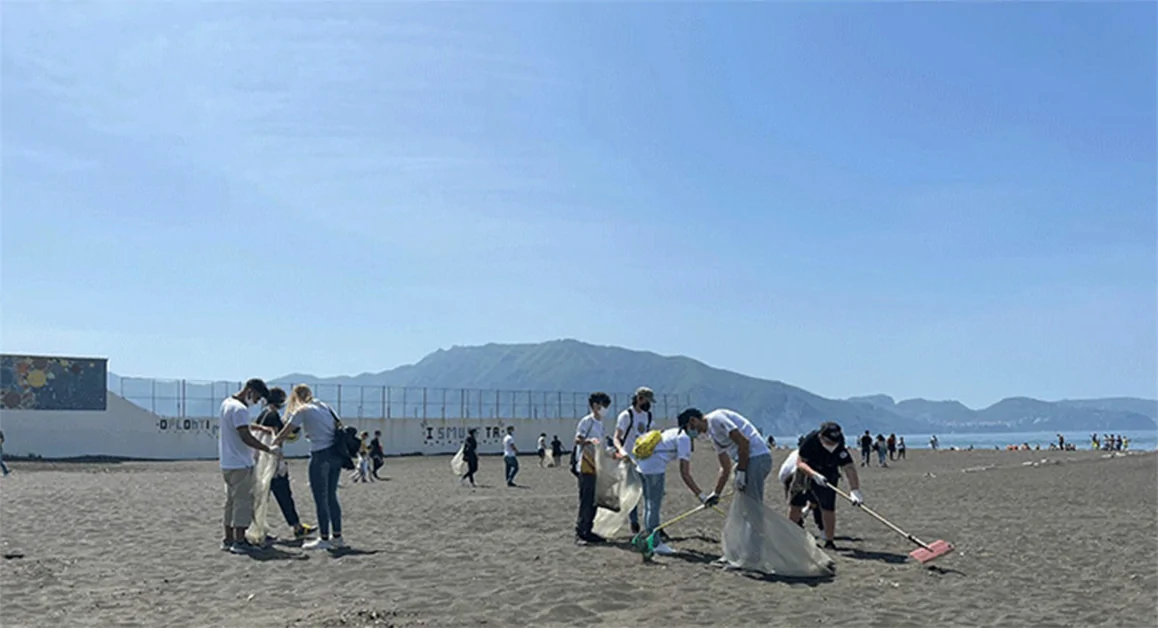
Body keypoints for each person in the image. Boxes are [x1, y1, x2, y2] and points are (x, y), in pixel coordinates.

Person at [631, 411, 716, 556]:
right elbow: (685, 473)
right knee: (654, 506)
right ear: (691, 422)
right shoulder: (683, 439)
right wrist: (701, 496)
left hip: (642, 466)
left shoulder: (673, 432)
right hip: (654, 469)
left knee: (648, 504)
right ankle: (656, 543)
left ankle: (649, 537)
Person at [281, 384, 346, 551]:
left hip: (320, 455)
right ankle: (337, 536)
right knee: (331, 496)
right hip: (335, 454)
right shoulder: (325, 406)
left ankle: (324, 537)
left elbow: (286, 431)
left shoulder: (302, 410)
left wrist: (271, 444)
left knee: (320, 498)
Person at [218, 378, 278, 554]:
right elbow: (245, 435)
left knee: (230, 502)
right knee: (243, 502)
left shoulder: (227, 404)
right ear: (250, 390)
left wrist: (259, 428)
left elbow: (239, 426)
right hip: (241, 463)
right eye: (258, 397)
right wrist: (268, 449)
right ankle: (239, 540)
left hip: (227, 462)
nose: (257, 401)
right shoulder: (240, 409)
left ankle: (228, 538)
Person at [787, 421, 863, 550]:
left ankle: (829, 541)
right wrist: (814, 475)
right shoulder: (810, 440)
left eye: (835, 441)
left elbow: (849, 467)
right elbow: (800, 463)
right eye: (829, 441)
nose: (832, 444)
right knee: (796, 503)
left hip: (829, 472)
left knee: (828, 507)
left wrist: (855, 490)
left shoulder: (840, 443)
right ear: (821, 437)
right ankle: (790, 535)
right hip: (806, 471)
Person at [257, 387, 316, 541]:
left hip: (260, 462)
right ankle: (296, 526)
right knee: (284, 496)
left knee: (262, 498)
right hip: (271, 462)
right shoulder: (273, 415)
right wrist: (280, 460)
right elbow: (277, 439)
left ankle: (259, 528)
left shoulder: (263, 414)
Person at [678, 408, 773, 503]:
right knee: (742, 497)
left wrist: (741, 472)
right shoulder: (712, 434)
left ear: (693, 420)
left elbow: (744, 443)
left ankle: (755, 518)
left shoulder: (716, 419)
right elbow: (725, 467)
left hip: (757, 456)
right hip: (745, 460)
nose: (688, 433)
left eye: (688, 428)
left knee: (752, 501)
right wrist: (716, 493)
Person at [613, 386, 656, 534]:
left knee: (649, 493)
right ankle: (634, 524)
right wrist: (622, 451)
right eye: (647, 401)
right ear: (639, 399)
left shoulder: (648, 416)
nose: (648, 404)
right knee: (633, 493)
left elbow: (651, 436)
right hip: (629, 460)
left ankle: (652, 524)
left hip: (645, 460)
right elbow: (617, 437)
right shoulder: (626, 415)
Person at [574, 392, 613, 545]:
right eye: (602, 405)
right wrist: (589, 440)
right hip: (585, 466)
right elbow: (577, 439)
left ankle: (589, 530)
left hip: (597, 466)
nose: (604, 409)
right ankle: (580, 533)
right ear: (595, 406)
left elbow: (602, 445)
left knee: (594, 500)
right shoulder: (587, 421)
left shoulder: (601, 424)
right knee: (586, 500)